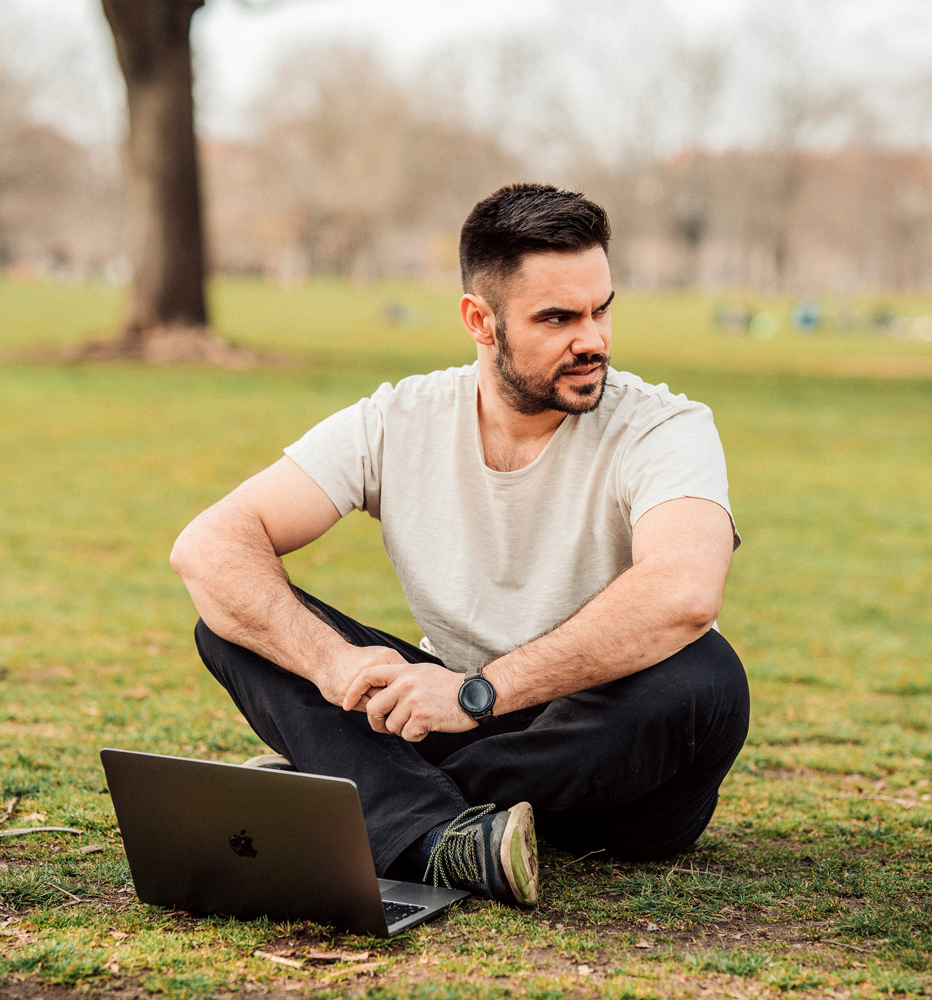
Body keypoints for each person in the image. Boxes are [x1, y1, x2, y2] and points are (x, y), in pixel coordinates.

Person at [171, 183, 750, 910]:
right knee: (238, 622)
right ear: (480, 320)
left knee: (704, 678)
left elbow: (684, 590)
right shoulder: (399, 418)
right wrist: (334, 666)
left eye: (602, 309)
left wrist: (478, 694)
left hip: (611, 756)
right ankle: (437, 831)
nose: (593, 339)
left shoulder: (666, 427)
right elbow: (210, 545)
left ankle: (363, 802)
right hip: (448, 715)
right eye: (558, 318)